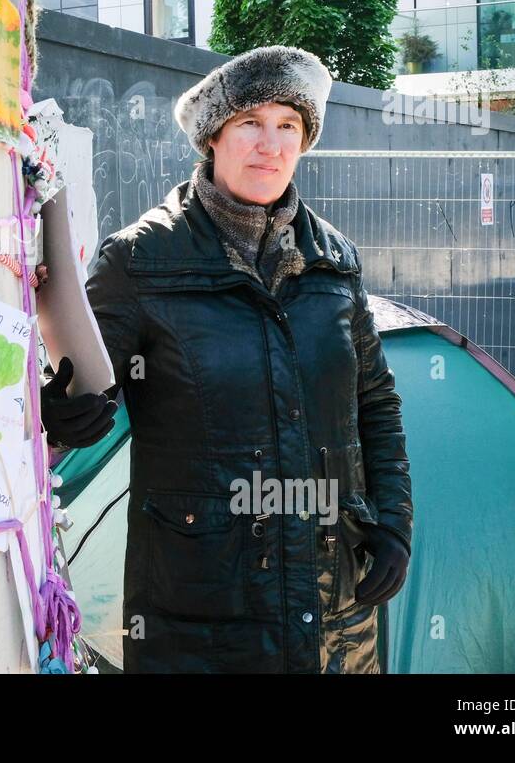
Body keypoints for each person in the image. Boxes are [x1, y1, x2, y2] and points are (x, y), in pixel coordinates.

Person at [41, 46, 412, 673]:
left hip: (333, 604)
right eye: (250, 123)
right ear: (214, 136)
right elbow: (86, 384)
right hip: (203, 610)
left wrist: (395, 523)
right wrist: (61, 405)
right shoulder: (139, 261)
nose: (270, 144)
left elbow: (374, 402)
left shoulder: (333, 260)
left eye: (288, 127)